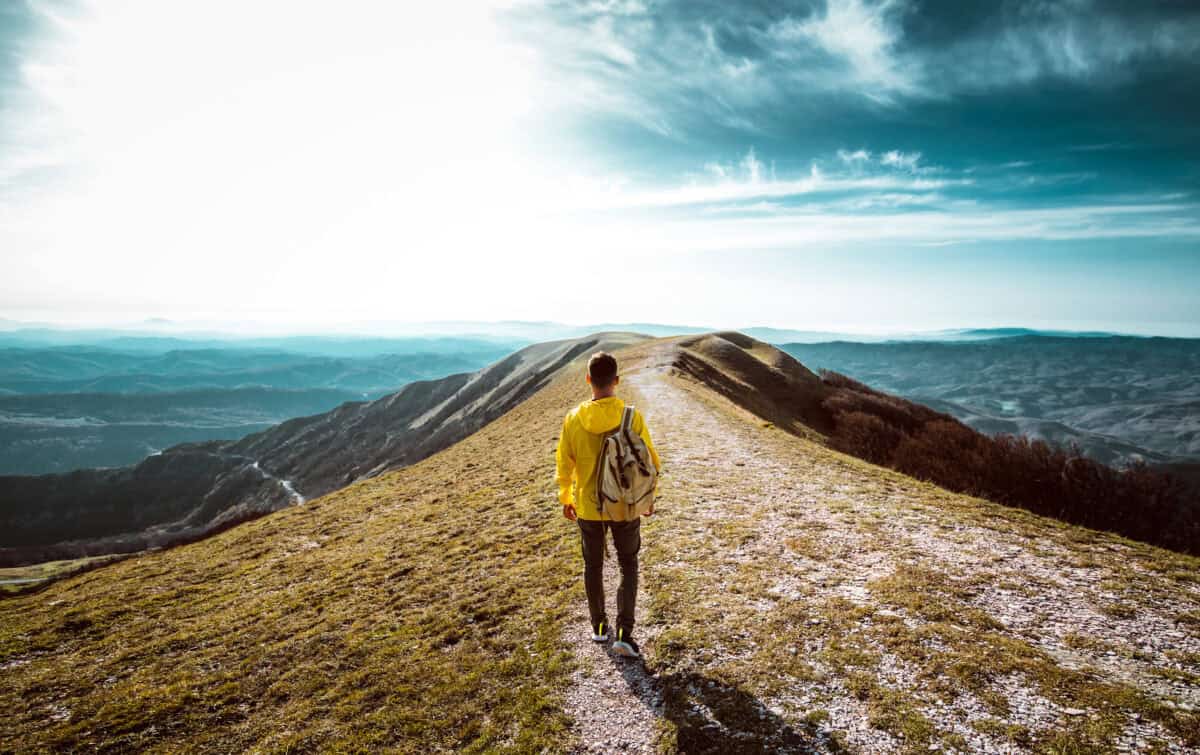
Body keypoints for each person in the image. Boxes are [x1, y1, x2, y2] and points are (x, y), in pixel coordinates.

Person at [555, 351, 661, 659]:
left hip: (588, 506)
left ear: (588, 379)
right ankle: (625, 634)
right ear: (616, 381)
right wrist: (648, 498)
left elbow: (564, 463)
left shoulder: (573, 418)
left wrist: (566, 497)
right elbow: (650, 461)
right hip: (625, 505)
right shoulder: (632, 416)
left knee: (593, 565)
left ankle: (599, 628)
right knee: (628, 564)